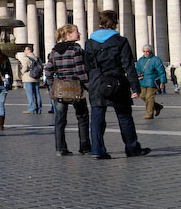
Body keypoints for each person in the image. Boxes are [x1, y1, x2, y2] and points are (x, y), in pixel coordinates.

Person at [85, 10, 150, 159]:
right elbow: (128, 65)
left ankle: (97, 150)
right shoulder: (121, 41)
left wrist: (89, 82)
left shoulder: (89, 43)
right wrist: (135, 87)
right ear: (115, 23)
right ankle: (132, 148)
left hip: (97, 82)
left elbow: (87, 65)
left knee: (97, 117)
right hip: (117, 81)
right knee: (124, 116)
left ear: (100, 23)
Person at [45, 24, 91, 156]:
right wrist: (88, 85)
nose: (80, 34)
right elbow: (80, 70)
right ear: (69, 35)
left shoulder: (54, 51)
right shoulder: (76, 49)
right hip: (75, 87)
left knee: (60, 120)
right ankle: (85, 147)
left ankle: (60, 148)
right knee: (82, 117)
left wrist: (51, 85)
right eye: (77, 32)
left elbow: (48, 70)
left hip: (60, 88)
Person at [136, 45, 166, 118]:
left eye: (147, 51)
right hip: (142, 81)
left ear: (150, 51)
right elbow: (137, 69)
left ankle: (149, 114)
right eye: (144, 51)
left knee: (149, 97)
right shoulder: (140, 60)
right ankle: (158, 106)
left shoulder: (156, 59)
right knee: (142, 96)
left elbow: (161, 71)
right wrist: (138, 76)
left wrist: (162, 82)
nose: (146, 53)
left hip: (152, 81)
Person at [17, 46, 43, 115]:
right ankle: (39, 108)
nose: (24, 52)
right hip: (36, 78)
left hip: (28, 77)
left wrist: (21, 73)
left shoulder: (26, 58)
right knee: (37, 93)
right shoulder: (37, 58)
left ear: (28, 50)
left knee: (30, 94)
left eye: (25, 50)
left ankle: (31, 108)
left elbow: (25, 67)